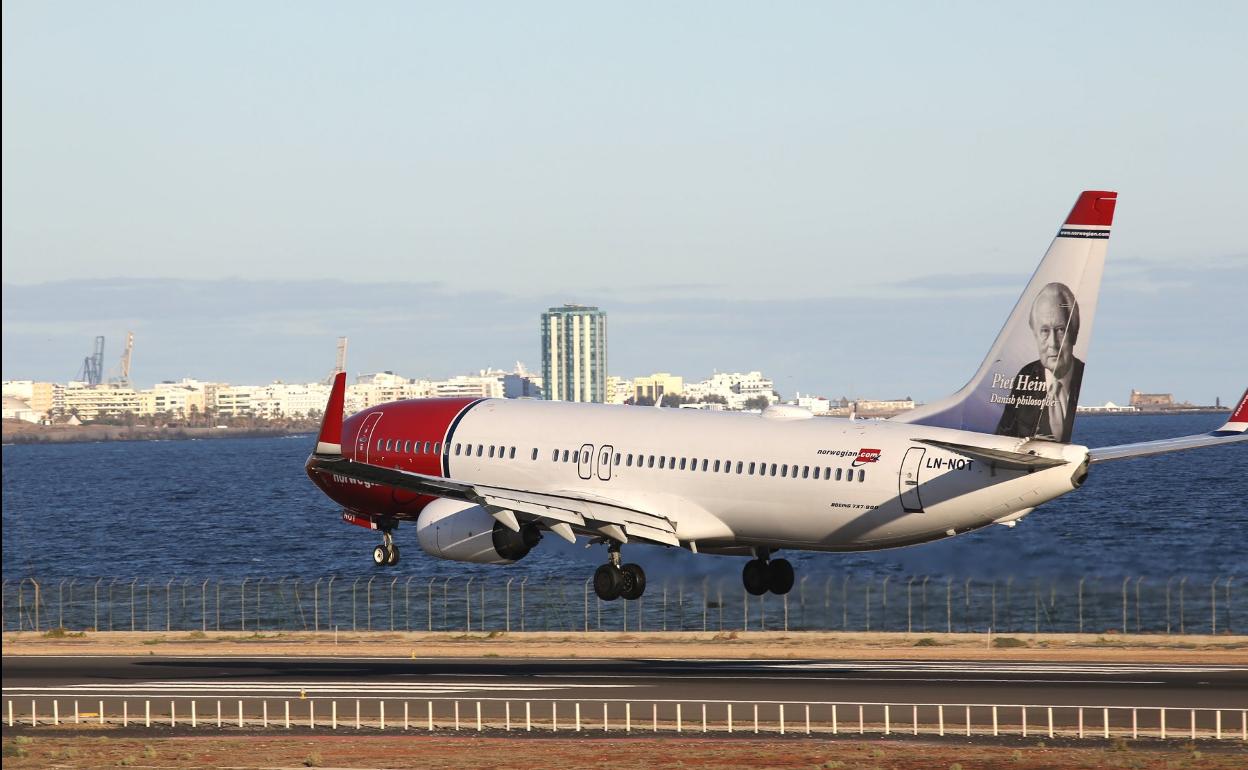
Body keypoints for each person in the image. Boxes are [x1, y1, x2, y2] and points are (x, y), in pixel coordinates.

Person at [994, 282, 1085, 442]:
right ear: (1035, 335)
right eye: (1044, 331)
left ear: (1074, 333)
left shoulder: (1081, 376)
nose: (1053, 343)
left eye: (1060, 330)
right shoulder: (1026, 376)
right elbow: (1004, 434)